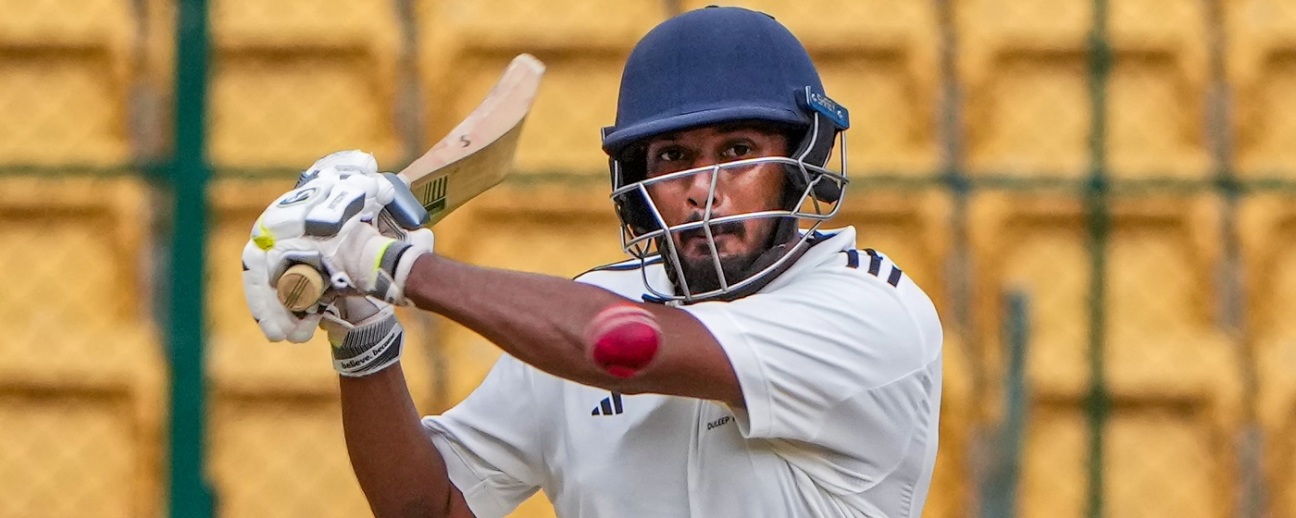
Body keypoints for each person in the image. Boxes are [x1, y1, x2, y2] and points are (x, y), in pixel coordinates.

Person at [241, 6, 943, 518]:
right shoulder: (574, 314)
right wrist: (361, 329)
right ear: (636, 185)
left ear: (801, 161)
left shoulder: (872, 311)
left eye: (738, 152)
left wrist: (385, 262)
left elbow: (623, 346)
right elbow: (426, 508)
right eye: (673, 158)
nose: (702, 189)